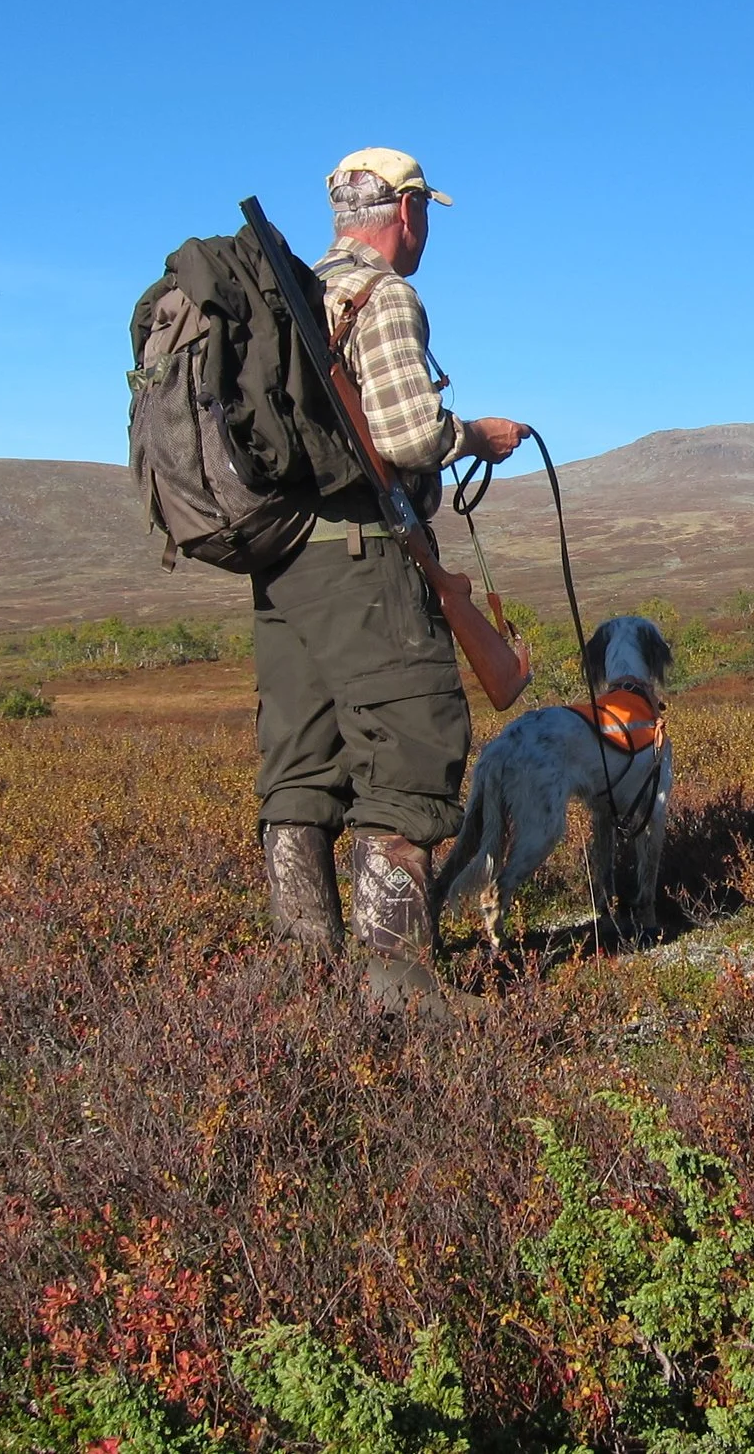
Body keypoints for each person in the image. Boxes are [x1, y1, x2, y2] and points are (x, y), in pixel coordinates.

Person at [252, 147, 524, 1011]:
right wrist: (477, 436)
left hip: (283, 565)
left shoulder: (289, 297)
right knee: (411, 745)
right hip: (365, 558)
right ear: (406, 211)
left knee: (301, 761)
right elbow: (409, 437)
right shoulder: (384, 295)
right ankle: (400, 989)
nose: (426, 226)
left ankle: (303, 983)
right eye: (425, 211)